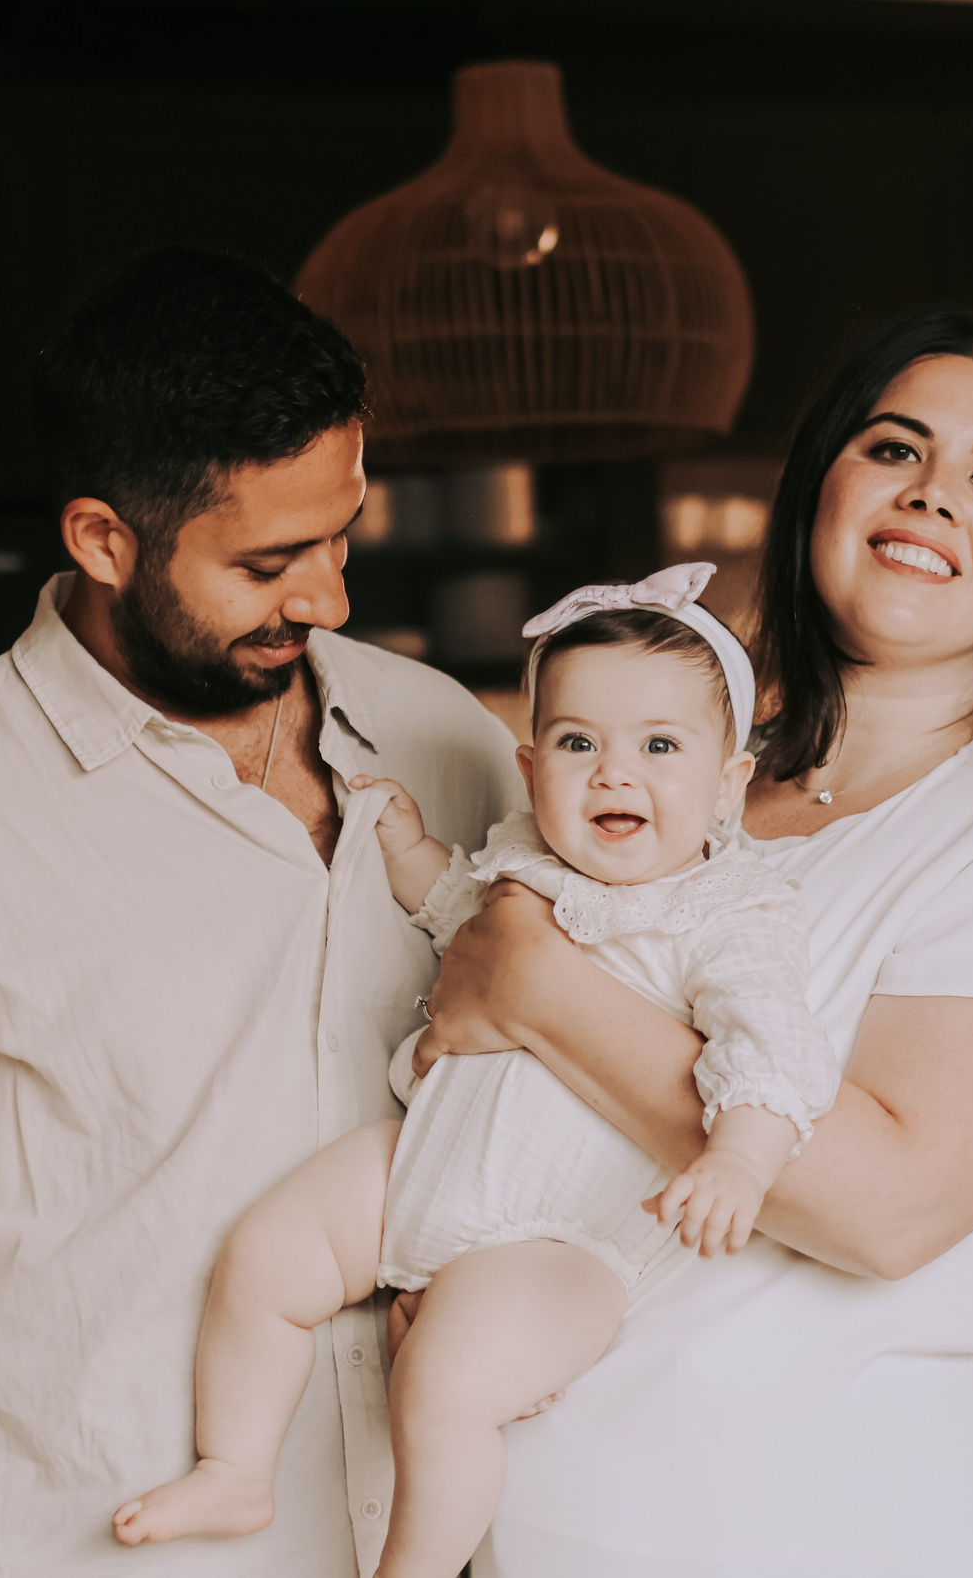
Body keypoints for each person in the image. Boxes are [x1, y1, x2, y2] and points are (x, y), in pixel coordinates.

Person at [0, 246, 525, 1578]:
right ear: (102, 538)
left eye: (342, 532)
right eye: (270, 561)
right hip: (70, 1539)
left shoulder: (447, 741)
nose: (329, 598)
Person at [414, 311, 973, 1577]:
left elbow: (885, 1205)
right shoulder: (665, 800)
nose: (931, 494)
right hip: (550, 1536)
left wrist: (533, 984)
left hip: (847, 1533)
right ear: (815, 501)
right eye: (893, 449)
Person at [111, 563, 837, 1578]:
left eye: (659, 747)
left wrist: (742, 1162)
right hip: (424, 1162)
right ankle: (234, 1467)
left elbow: (775, 1047)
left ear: (727, 782)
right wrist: (412, 853)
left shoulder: (726, 914)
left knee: (443, 1387)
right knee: (265, 1253)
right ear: (532, 764)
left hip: (565, 1240)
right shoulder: (526, 864)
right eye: (579, 743)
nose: (613, 774)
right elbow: (458, 915)